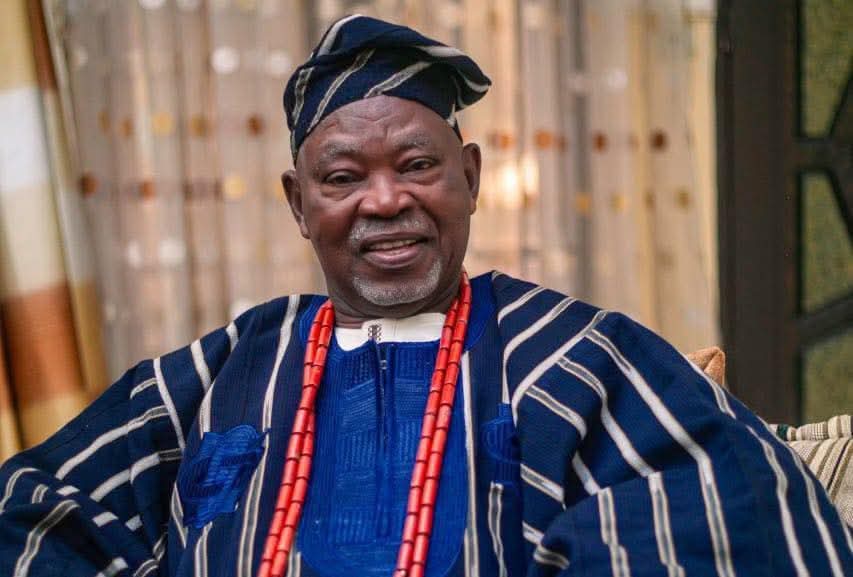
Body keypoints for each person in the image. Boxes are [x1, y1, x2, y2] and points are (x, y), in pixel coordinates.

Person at [1, 14, 851, 577]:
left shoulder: (577, 355)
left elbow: (728, 510)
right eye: (343, 177)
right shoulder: (218, 371)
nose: (384, 200)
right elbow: (36, 513)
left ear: (469, 178)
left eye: (416, 165)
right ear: (298, 203)